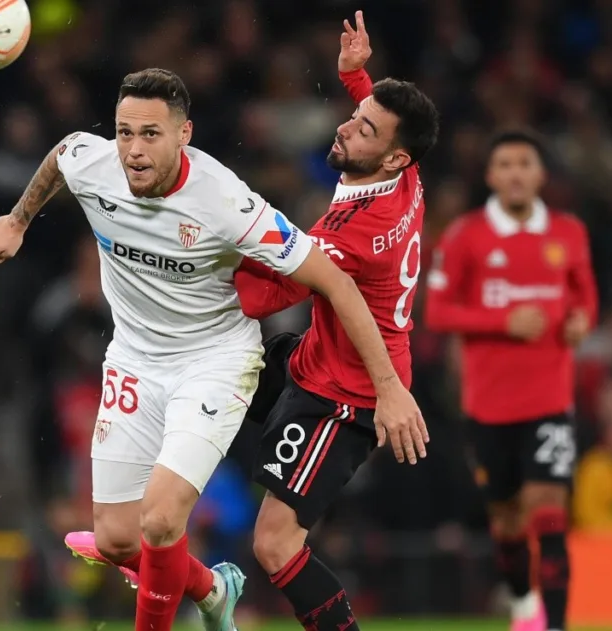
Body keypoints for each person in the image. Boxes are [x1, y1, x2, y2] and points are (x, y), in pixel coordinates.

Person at [0, 60, 425, 631]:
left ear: (184, 134)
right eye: (123, 133)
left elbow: (334, 281)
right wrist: (17, 221)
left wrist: (389, 387)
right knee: (118, 541)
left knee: (164, 521)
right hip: (134, 360)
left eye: (150, 134)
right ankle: (211, 588)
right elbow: (62, 155)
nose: (133, 150)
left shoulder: (227, 203)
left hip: (216, 360)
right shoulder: (92, 163)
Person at [227, 12, 438, 630]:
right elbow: (379, 120)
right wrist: (356, 76)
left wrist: (213, 239)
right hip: (314, 361)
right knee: (209, 380)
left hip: (341, 397)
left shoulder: (351, 235)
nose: (345, 126)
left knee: (275, 545)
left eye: (363, 128)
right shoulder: (408, 178)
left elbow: (256, 298)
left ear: (394, 157)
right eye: (356, 113)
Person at [425, 129, 597, 631]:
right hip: (488, 405)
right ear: (491, 176)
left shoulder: (569, 233)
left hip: (550, 398)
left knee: (549, 513)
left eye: (525, 163)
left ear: (541, 175)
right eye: (506, 164)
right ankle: (524, 605)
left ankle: (558, 625)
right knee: (506, 520)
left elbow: (585, 295)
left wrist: (582, 319)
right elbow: (437, 311)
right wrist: (504, 322)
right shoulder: (464, 236)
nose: (516, 172)